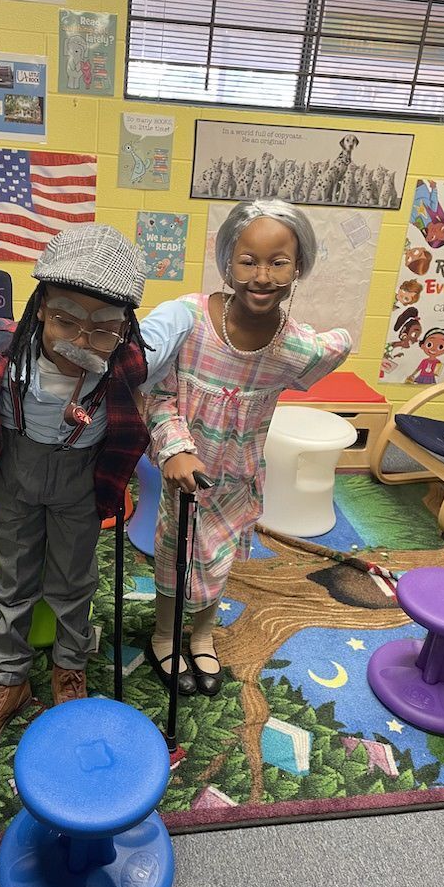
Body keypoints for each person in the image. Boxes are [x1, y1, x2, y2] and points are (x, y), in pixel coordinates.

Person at [0, 224, 193, 754]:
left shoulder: (134, 357)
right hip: (15, 474)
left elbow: (182, 314)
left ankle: (69, 668)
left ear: (124, 328)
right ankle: (7, 679)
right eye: (66, 320)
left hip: (82, 480)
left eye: (103, 329)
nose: (81, 342)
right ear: (40, 308)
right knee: (12, 577)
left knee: (74, 580)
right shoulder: (1, 348)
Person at [143, 199, 351, 698]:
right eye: (248, 261)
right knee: (175, 554)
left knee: (220, 558)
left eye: (278, 262)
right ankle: (164, 635)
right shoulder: (191, 321)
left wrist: (324, 341)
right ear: (227, 261)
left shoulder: (292, 347)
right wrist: (175, 449)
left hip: (239, 479)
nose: (262, 276)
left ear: (298, 267)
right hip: (186, 476)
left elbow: (332, 348)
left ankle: (202, 634)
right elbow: (156, 394)